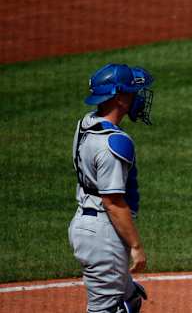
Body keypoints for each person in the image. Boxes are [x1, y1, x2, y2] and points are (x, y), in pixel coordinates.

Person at [69, 63, 155, 313]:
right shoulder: (115, 143)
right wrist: (136, 247)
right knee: (108, 309)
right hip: (103, 233)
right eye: (132, 92)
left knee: (131, 299)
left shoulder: (86, 123)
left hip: (86, 223)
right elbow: (113, 203)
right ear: (119, 98)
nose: (137, 97)